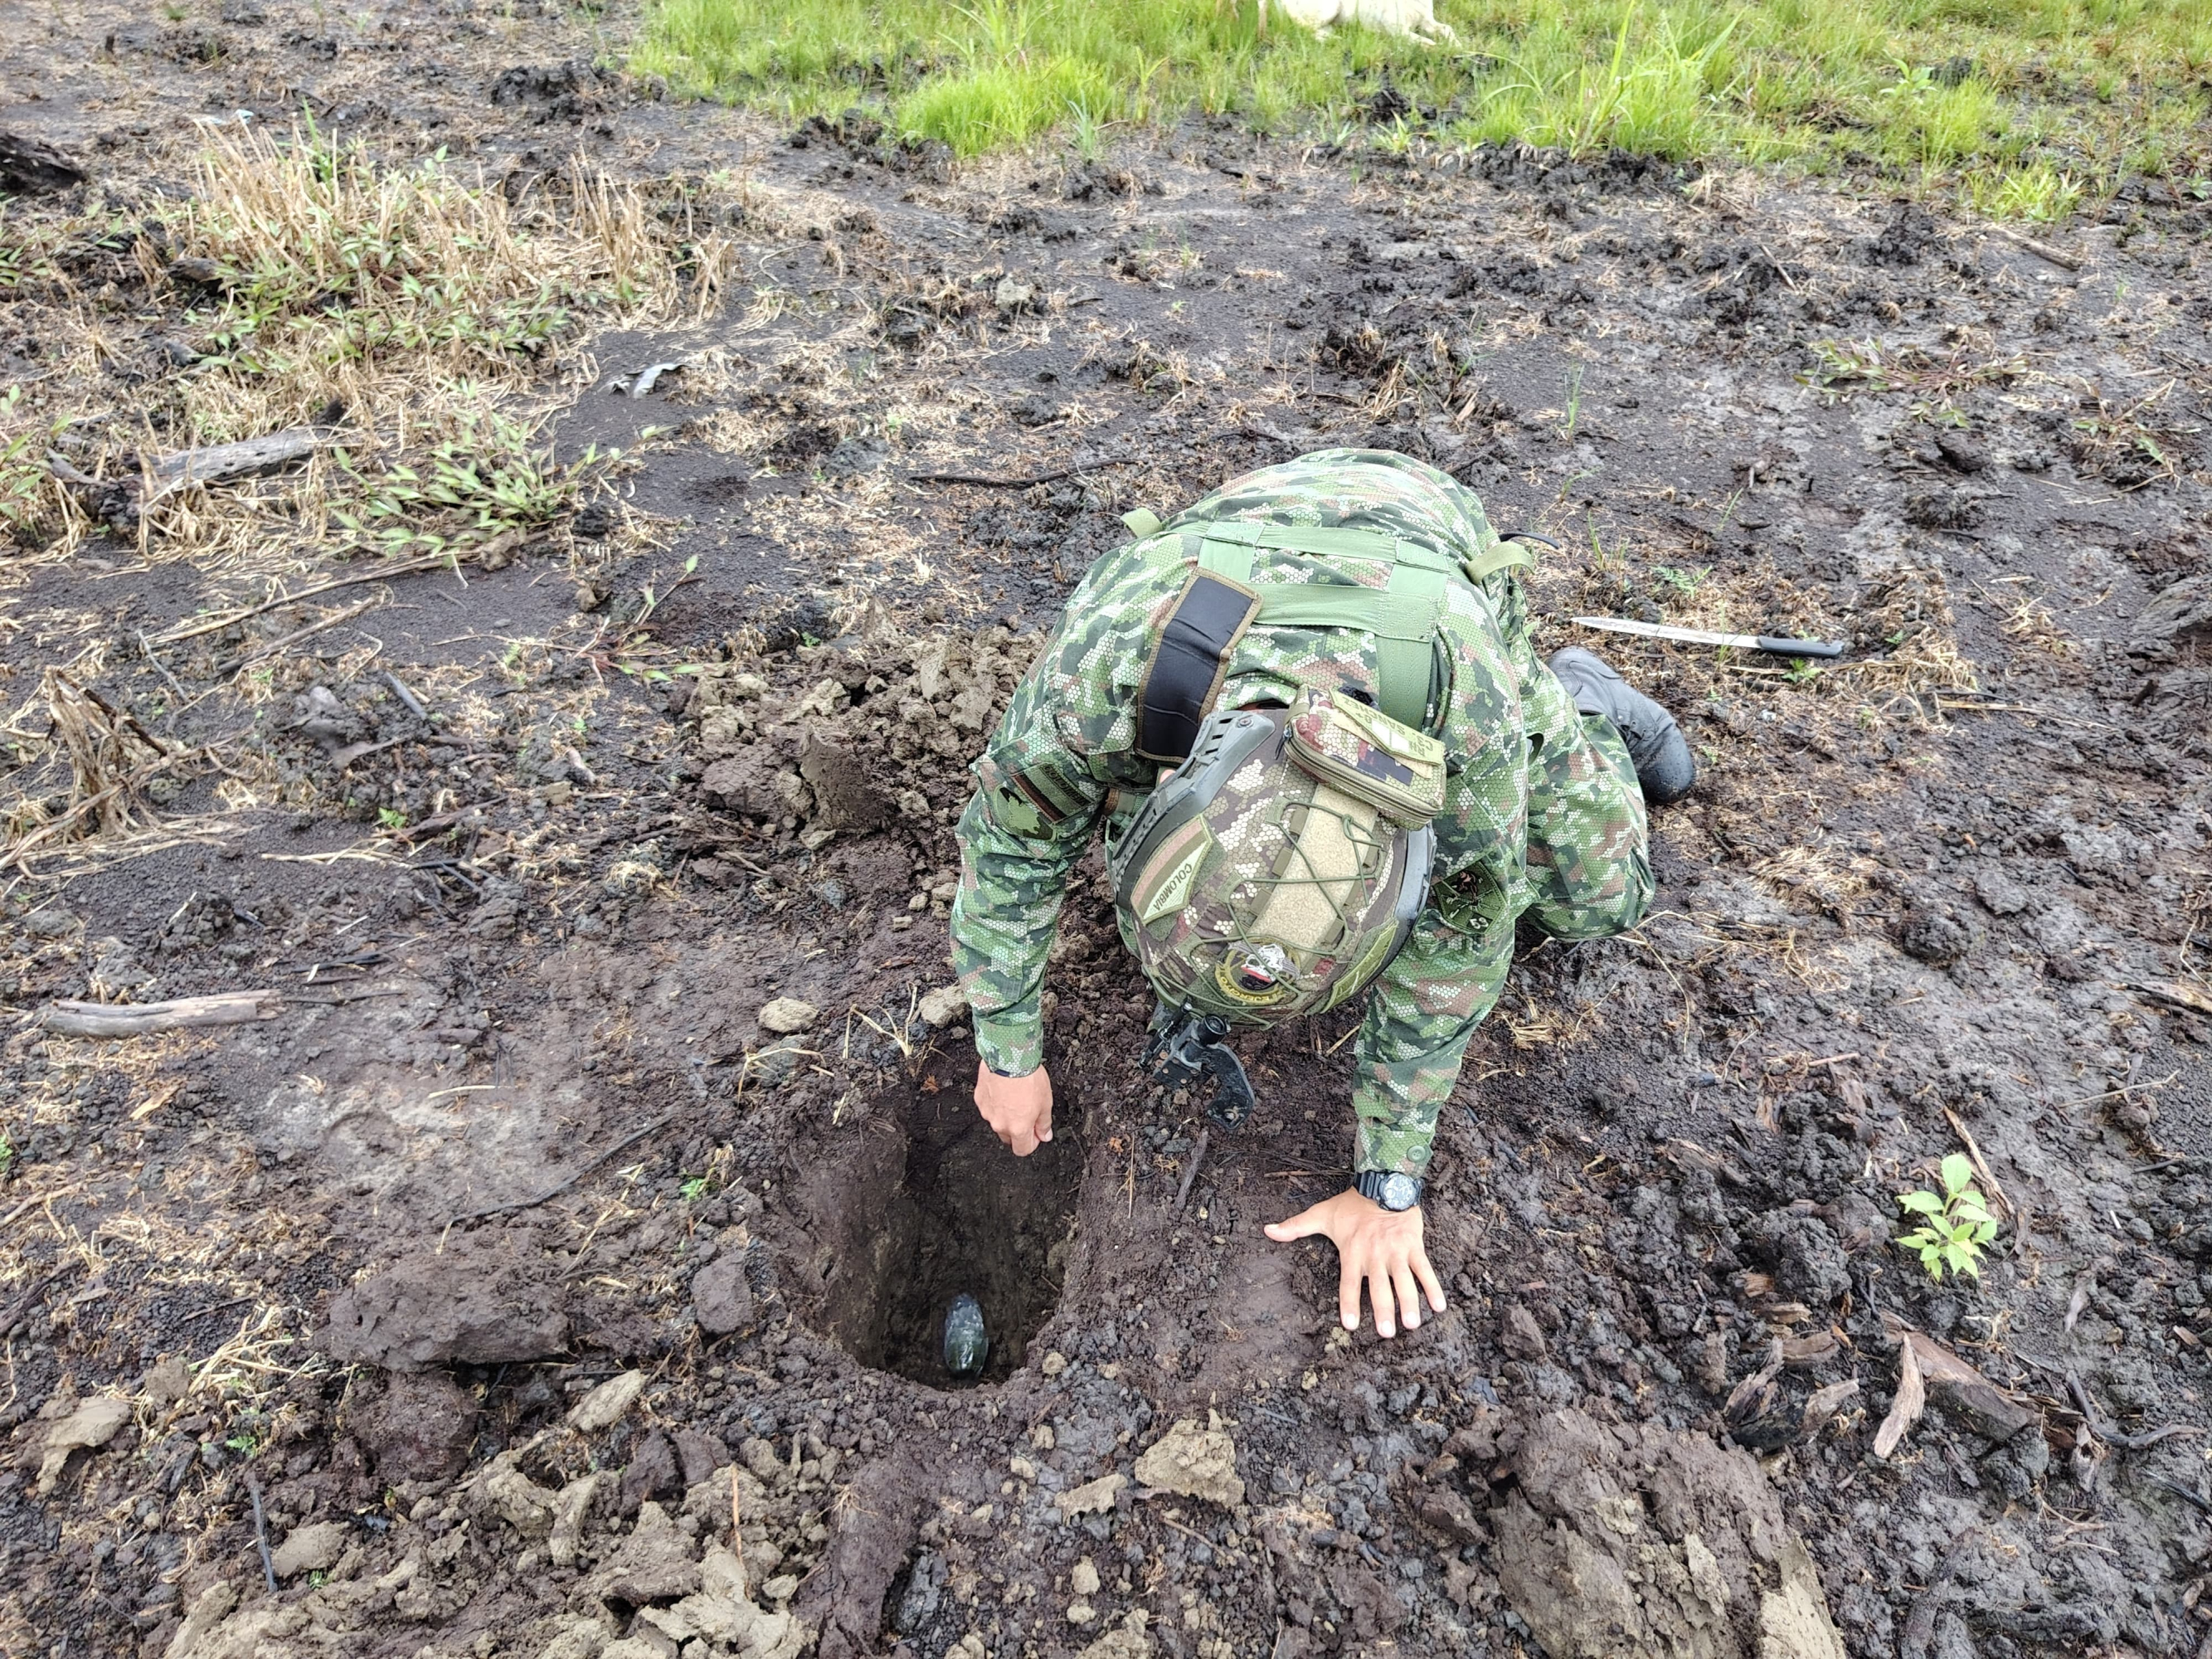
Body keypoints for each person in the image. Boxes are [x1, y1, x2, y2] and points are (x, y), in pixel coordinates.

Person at [949, 450, 1694, 1339]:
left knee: (1598, 902)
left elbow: (1463, 934)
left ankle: (1585, 701)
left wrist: (1390, 1179)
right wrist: (1005, 1047)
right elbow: (1009, 842)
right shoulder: (1104, 674)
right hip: (1230, 553)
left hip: (1423, 559)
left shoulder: (1465, 725)